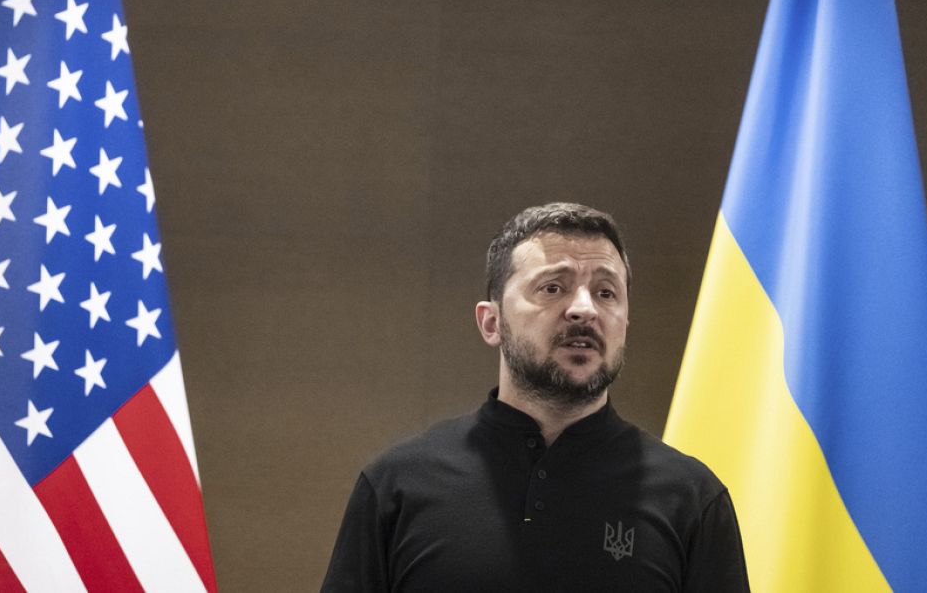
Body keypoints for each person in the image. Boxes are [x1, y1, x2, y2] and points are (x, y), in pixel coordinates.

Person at [321, 203, 749, 592]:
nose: (584, 309)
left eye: (606, 292)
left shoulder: (691, 498)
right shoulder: (397, 485)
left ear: (624, 323)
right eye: (553, 288)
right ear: (492, 323)